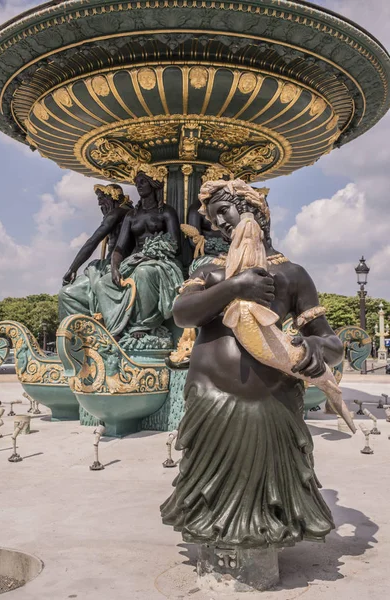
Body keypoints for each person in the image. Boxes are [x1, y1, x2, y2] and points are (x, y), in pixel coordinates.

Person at [161, 179, 343, 548]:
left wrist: (314, 346)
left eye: (224, 212)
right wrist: (234, 286)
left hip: (272, 400)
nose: (220, 224)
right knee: (211, 499)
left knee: (268, 492)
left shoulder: (292, 274)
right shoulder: (211, 269)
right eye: (214, 219)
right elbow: (181, 314)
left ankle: (263, 547)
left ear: (255, 208)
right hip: (213, 397)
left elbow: (332, 342)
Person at [93, 168, 184, 339]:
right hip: (135, 259)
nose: (138, 185)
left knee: (144, 272)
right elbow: (120, 247)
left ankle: (144, 324)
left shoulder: (166, 211)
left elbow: (176, 245)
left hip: (161, 261)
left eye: (142, 181)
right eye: (136, 182)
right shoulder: (131, 215)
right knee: (102, 283)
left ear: (153, 183)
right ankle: (116, 329)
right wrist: (114, 267)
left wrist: (154, 252)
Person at [58, 184, 132, 321]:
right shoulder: (126, 212)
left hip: (117, 266)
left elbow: (92, 242)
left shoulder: (117, 213)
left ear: (113, 197)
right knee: (66, 293)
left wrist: (72, 269)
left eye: (102, 198)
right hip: (107, 266)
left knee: (66, 293)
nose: (99, 203)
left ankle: (86, 332)